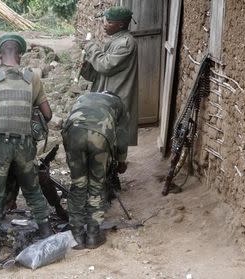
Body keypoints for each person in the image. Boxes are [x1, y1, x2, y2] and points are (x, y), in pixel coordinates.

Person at [0, 33, 53, 269]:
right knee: (32, 190)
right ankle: (48, 238)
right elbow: (47, 115)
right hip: (25, 145)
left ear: (0, 54)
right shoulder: (32, 78)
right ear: (20, 54)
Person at [61, 91, 128, 249]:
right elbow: (123, 135)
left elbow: (69, 121)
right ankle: (92, 235)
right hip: (100, 135)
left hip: (73, 133)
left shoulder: (83, 97)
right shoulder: (119, 104)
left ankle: (76, 235)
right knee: (97, 185)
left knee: (78, 184)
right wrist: (121, 160)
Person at [80, 6, 138, 146]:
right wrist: (85, 64)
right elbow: (98, 71)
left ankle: (118, 161)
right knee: (105, 133)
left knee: (115, 132)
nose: (105, 24)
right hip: (107, 94)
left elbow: (105, 65)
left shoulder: (125, 43)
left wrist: (91, 48)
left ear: (121, 24)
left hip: (116, 95)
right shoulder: (115, 40)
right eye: (105, 21)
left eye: (110, 22)